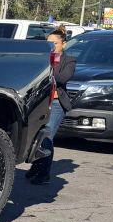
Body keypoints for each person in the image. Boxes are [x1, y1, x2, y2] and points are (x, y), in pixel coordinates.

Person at [27, 25, 76, 185]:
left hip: (56, 103)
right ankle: (36, 168)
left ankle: (44, 174)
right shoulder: (42, 58)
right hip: (41, 103)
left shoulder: (69, 60)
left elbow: (63, 78)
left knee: (47, 137)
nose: (51, 46)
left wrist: (49, 67)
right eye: (49, 43)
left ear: (63, 44)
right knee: (37, 136)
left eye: (54, 43)